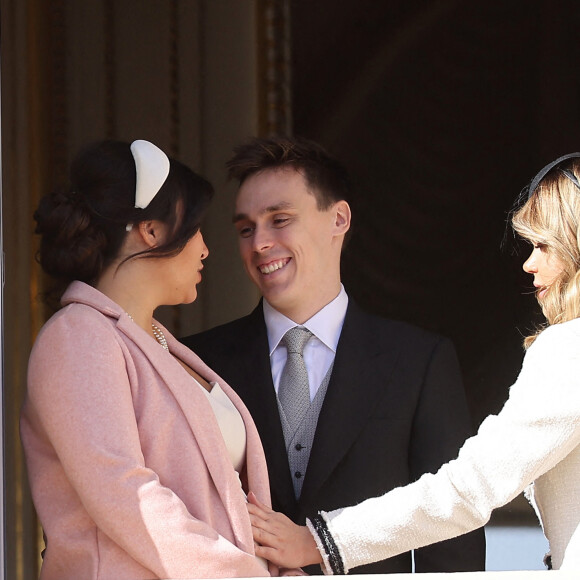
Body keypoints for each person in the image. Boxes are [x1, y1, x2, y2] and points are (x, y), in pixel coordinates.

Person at [247, 152, 580, 573]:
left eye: (543, 245)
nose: (529, 263)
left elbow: (470, 488)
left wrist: (321, 540)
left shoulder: (570, 349)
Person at [181, 135, 485, 573]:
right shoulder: (198, 362)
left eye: (279, 220)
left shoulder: (419, 362)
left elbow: (452, 528)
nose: (259, 243)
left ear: (338, 219)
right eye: (246, 229)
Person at [20, 139, 296, 579]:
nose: (205, 249)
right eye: (196, 228)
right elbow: (127, 494)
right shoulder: (78, 335)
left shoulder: (156, 340)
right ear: (151, 230)